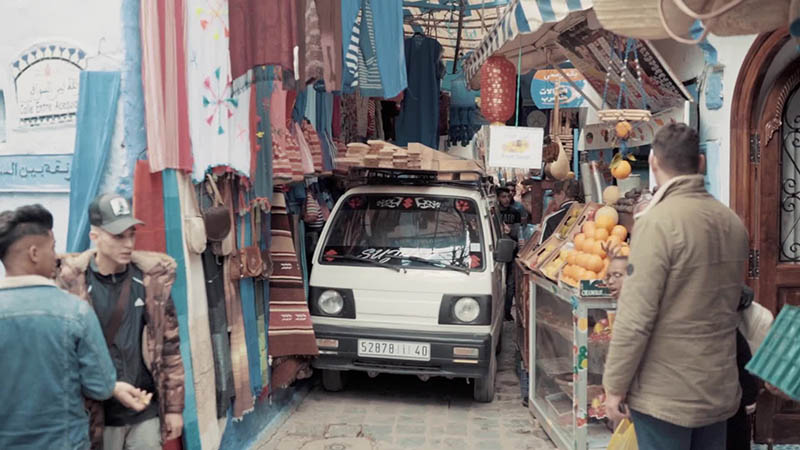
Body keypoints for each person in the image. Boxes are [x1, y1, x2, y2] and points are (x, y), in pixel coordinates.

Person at [603, 123, 749, 450]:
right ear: (700, 163)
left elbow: (635, 317)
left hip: (665, 395)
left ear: (653, 163)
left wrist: (614, 386)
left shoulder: (656, 224)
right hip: (717, 387)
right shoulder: (732, 222)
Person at [0, 204, 148, 449]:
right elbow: (100, 386)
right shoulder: (74, 312)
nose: (56, 256)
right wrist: (115, 387)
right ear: (34, 253)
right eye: (53, 247)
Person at [57, 194, 185, 450]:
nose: (128, 244)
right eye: (118, 236)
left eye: (131, 235)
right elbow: (62, 356)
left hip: (145, 410)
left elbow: (170, 348)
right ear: (95, 237)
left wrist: (173, 409)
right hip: (96, 414)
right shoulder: (71, 285)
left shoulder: (152, 282)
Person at [497, 187, 521, 321]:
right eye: (503, 197)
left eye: (508, 196)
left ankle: (507, 312)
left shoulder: (515, 212)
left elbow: (517, 233)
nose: (506, 199)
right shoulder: (493, 212)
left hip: (512, 252)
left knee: (510, 284)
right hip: (497, 253)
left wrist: (509, 231)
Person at [538, 179, 581, 244]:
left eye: (554, 195)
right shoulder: (586, 212)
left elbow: (542, 248)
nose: (553, 199)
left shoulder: (551, 219)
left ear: (562, 194)